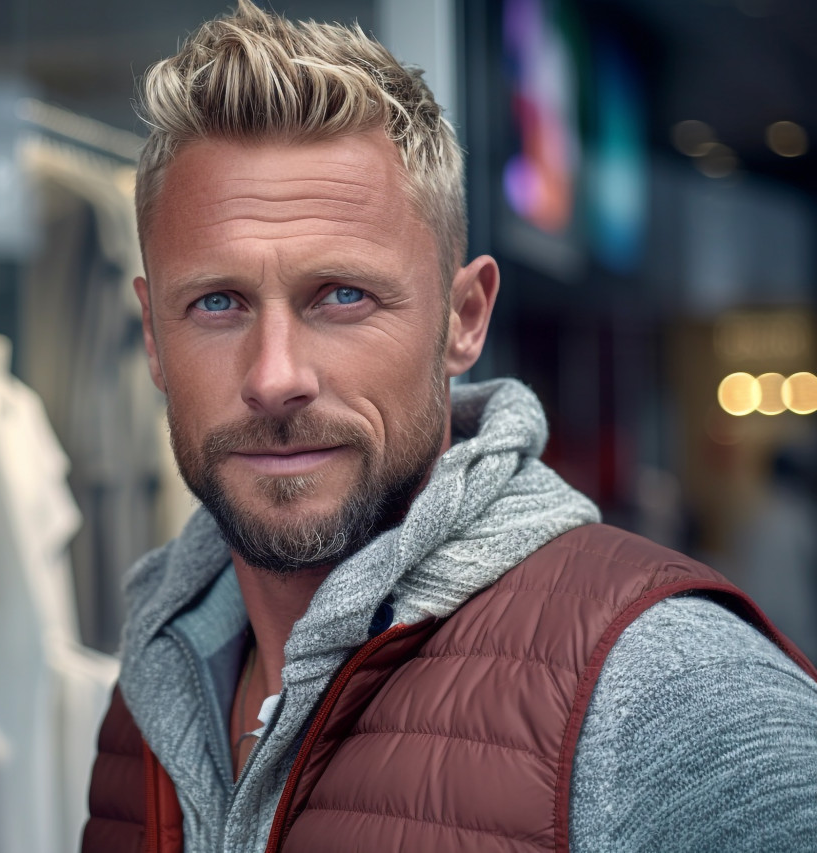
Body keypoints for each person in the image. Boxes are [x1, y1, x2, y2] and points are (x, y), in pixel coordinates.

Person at [80, 3, 817, 851]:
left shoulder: (670, 693)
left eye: (343, 296)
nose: (275, 377)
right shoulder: (154, 679)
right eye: (217, 303)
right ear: (153, 337)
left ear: (464, 318)